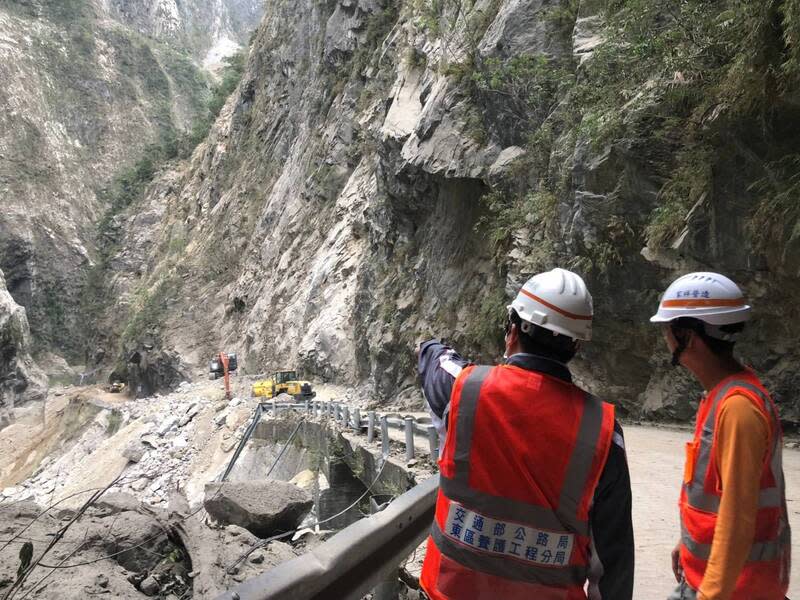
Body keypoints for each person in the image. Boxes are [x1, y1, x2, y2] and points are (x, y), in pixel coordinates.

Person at [417, 268, 634, 600]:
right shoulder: (602, 430)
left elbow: (435, 361)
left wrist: (431, 346)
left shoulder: (467, 390)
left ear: (512, 330)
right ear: (576, 347)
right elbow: (614, 560)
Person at [650, 272, 790, 600]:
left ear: (688, 336)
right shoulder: (721, 397)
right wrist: (685, 544)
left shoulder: (738, 409)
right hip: (715, 581)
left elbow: (738, 517)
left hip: (735, 590)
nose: (665, 337)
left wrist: (710, 595)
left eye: (667, 329)